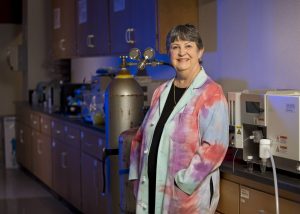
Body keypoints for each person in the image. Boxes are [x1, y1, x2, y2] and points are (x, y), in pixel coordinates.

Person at [129, 24, 229, 213]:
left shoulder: (211, 93)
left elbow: (214, 149)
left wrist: (183, 184)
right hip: (150, 192)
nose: (182, 52)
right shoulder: (161, 91)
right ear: (169, 53)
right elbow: (141, 137)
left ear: (200, 52)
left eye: (189, 46)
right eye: (175, 47)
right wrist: (136, 177)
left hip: (184, 197)